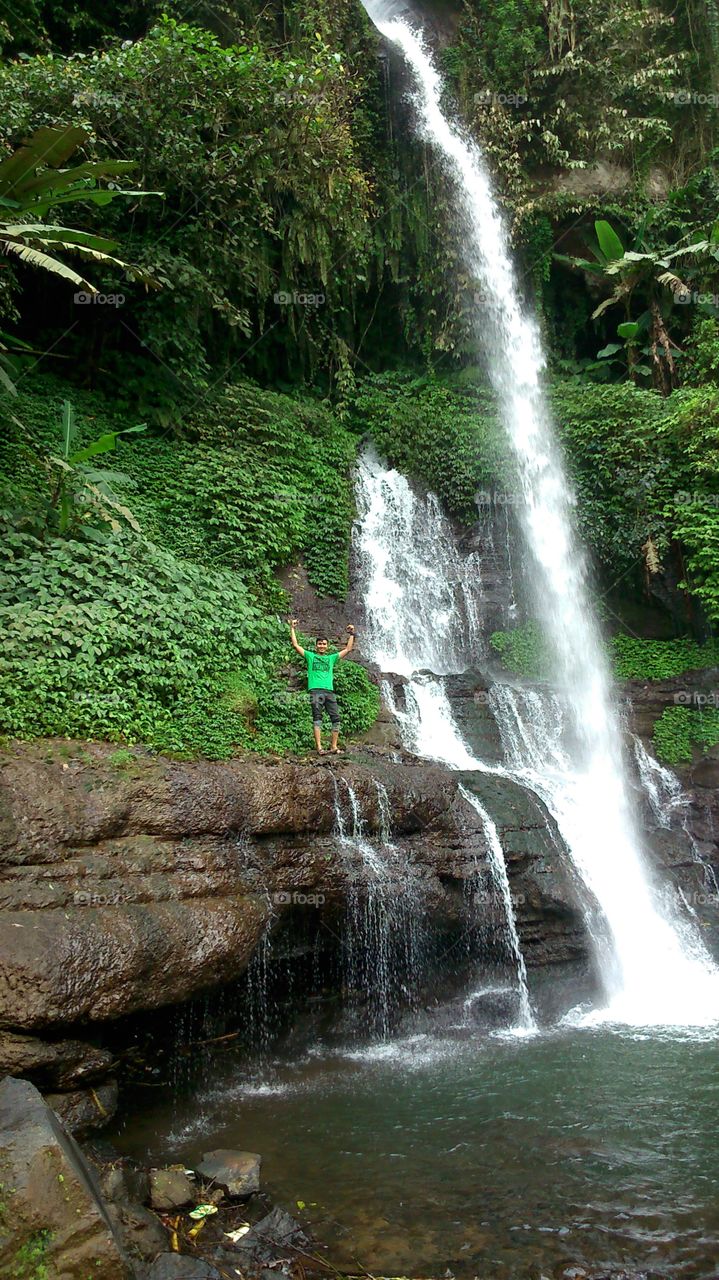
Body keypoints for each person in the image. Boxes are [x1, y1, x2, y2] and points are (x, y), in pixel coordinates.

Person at [289, 618, 356, 754]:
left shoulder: (331, 658)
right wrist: (292, 628)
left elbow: (348, 649)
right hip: (315, 691)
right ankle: (319, 747)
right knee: (317, 717)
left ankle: (334, 746)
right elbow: (296, 645)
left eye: (324, 644)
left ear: (327, 646)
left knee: (335, 718)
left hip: (329, 691)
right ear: (316, 646)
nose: (322, 646)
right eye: (320, 644)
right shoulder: (310, 656)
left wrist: (352, 634)